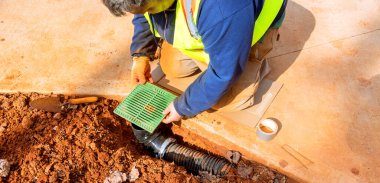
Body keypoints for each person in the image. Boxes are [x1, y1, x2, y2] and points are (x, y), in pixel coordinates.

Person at [102, 0, 287, 124]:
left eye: (150, 9)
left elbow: (224, 72)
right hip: (218, 21)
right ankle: (208, 40)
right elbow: (142, 11)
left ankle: (252, 61)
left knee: (225, 100)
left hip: (243, 22)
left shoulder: (221, 9)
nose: (147, 13)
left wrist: (183, 106)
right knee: (173, 67)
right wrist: (140, 55)